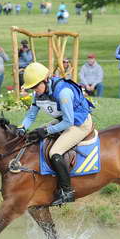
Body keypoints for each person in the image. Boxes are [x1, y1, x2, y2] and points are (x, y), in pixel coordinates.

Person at [18, 62, 95, 205]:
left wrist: (47, 130)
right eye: (32, 88)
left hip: (79, 123)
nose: (34, 90)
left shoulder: (63, 92)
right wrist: (22, 128)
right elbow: (31, 116)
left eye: (35, 86)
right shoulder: (39, 93)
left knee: (55, 152)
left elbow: (68, 122)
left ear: (45, 80)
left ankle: (67, 191)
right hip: (64, 120)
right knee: (34, 134)